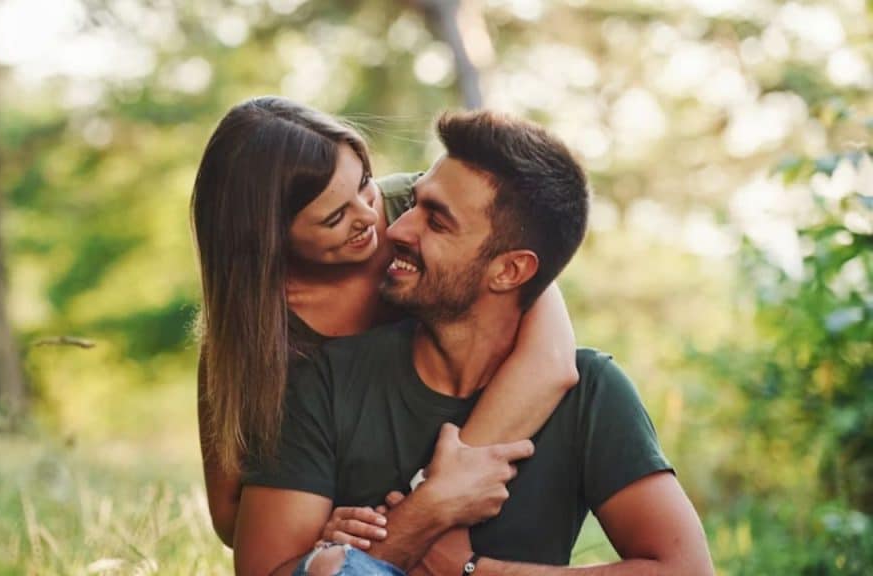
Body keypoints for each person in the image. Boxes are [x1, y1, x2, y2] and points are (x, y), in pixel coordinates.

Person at [235, 110, 714, 575]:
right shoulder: (322, 381)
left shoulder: (591, 393)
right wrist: (378, 536)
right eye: (414, 204)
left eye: (437, 221)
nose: (396, 229)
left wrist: (471, 570)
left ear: (509, 271)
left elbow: (688, 570)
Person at [191, 97, 581, 548]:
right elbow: (228, 516)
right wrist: (330, 523)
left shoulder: (422, 206)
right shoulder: (251, 333)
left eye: (366, 184)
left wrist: (439, 491)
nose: (370, 219)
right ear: (268, 237)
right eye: (335, 217)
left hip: (480, 497)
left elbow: (551, 360)